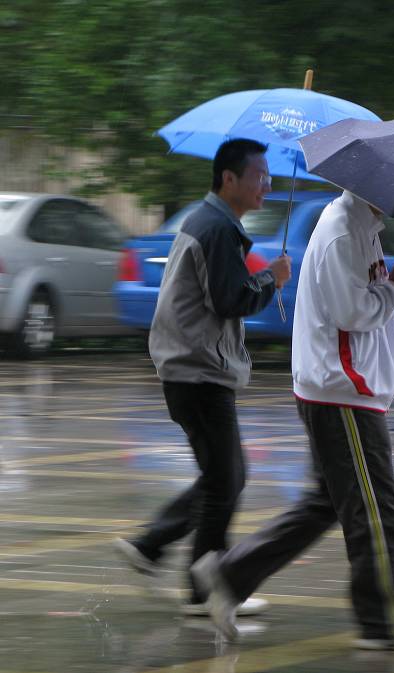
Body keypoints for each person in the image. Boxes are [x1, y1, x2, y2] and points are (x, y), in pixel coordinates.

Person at [192, 190, 394, 651]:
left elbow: (356, 301)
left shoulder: (361, 227)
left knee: (326, 504)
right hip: (343, 392)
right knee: (376, 510)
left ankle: (229, 574)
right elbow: (353, 313)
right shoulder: (342, 231)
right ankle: (383, 622)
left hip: (340, 388)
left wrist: (389, 284)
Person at [114, 138, 292, 616]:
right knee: (225, 480)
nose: (267, 185)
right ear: (229, 178)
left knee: (224, 477)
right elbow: (229, 299)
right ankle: (203, 588)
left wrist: (262, 277)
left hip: (191, 368)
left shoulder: (212, 222)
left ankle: (157, 550)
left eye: (269, 176)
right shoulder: (215, 228)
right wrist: (271, 279)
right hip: (197, 372)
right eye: (259, 175)